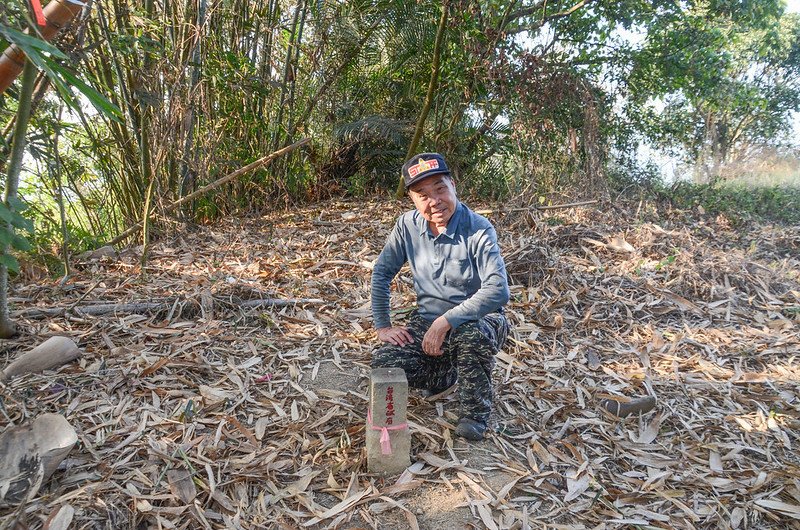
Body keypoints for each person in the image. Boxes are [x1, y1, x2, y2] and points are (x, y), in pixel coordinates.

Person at [371, 152, 511, 441]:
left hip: (478, 319)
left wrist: (446, 320)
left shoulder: (478, 229)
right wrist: (383, 326)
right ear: (411, 198)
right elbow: (382, 272)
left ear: (453, 185)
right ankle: (444, 375)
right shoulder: (406, 226)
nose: (433, 200)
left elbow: (498, 290)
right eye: (422, 194)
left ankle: (474, 413)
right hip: (426, 319)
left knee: (471, 337)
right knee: (386, 363)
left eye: (440, 189)